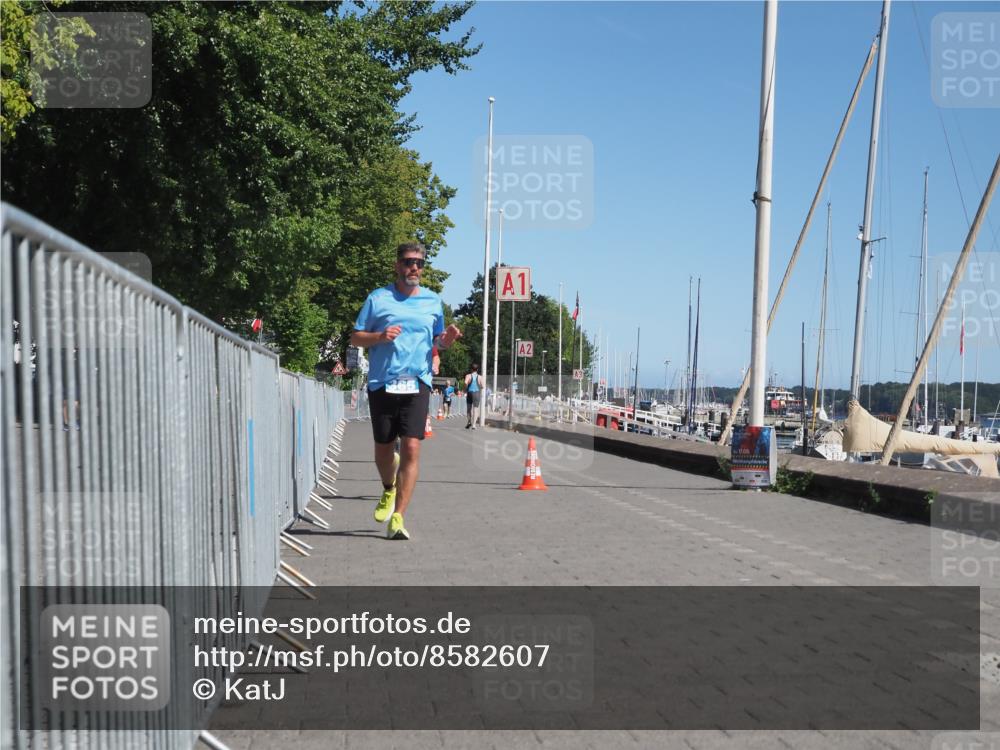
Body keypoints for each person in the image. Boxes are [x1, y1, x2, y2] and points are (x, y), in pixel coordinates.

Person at [350, 242, 461, 540]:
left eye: (420, 263)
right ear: (398, 265)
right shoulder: (378, 299)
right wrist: (379, 336)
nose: (415, 267)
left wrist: (446, 341)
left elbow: (437, 342)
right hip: (383, 382)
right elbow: (355, 337)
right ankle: (388, 488)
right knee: (384, 450)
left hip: (417, 382)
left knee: (411, 447)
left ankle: (398, 517)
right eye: (409, 262)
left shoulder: (432, 302)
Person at [464, 363, 484, 429]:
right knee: (476, 409)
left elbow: (465, 383)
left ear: (471, 369)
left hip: (469, 392)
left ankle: (469, 421)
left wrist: (465, 389)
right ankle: (474, 425)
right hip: (476, 393)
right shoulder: (480, 377)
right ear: (477, 369)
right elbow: (482, 386)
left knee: (468, 409)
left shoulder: (468, 376)